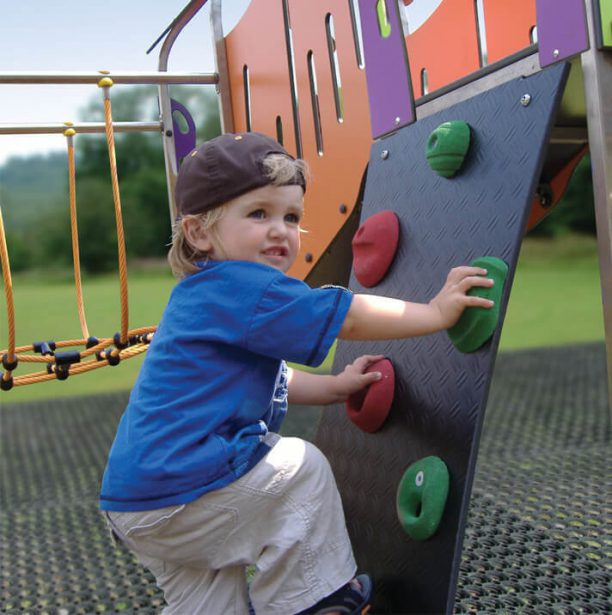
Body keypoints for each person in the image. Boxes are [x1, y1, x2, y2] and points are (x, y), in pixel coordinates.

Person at [100, 132, 494, 615]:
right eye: (258, 214)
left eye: (291, 217)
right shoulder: (244, 288)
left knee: (210, 606)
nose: (280, 231)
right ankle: (313, 600)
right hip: (186, 486)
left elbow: (278, 379)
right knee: (300, 470)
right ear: (199, 233)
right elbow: (347, 315)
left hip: (141, 504)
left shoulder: (202, 298)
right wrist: (434, 313)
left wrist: (336, 387)